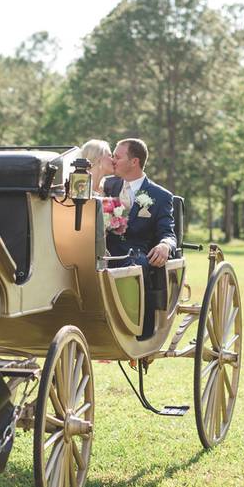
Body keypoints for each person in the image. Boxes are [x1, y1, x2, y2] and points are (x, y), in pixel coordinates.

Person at [102, 138, 178, 338]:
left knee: (137, 263)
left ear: (134, 162)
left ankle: (141, 332)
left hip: (134, 254)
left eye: (117, 157)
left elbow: (168, 232)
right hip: (102, 250)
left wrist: (165, 245)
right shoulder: (107, 186)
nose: (113, 160)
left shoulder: (160, 196)